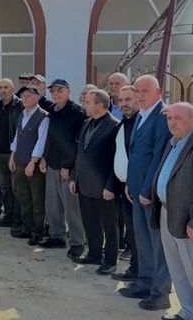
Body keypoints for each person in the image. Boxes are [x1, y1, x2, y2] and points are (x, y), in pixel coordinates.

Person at [151, 102, 193, 320]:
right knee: (178, 269)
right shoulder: (173, 142)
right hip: (167, 213)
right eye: (170, 118)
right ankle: (188, 311)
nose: (173, 122)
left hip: (190, 219)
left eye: (179, 118)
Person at [119, 74, 172, 312]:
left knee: (157, 244)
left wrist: (147, 188)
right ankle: (144, 282)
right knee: (143, 241)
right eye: (137, 91)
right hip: (136, 191)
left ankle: (160, 293)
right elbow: (137, 154)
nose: (140, 96)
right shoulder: (142, 115)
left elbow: (159, 155)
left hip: (149, 194)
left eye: (145, 91)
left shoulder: (161, 117)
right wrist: (131, 185)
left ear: (158, 92)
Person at [70, 89, 121, 275]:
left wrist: (110, 185)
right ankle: (94, 253)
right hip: (84, 184)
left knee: (109, 225)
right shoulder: (86, 123)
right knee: (90, 221)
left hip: (104, 187)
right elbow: (80, 153)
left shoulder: (115, 126)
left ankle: (110, 260)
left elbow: (116, 160)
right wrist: (75, 177)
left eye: (88, 102)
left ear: (100, 105)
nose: (85, 105)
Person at [41, 78, 87, 259]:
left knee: (71, 208)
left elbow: (75, 143)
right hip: (52, 164)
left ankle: (77, 242)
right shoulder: (52, 111)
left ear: (68, 91)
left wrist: (67, 166)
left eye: (60, 90)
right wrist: (44, 157)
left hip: (67, 167)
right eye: (53, 91)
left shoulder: (77, 113)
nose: (56, 94)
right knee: (52, 205)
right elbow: (49, 138)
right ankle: (57, 236)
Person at [9, 85, 50, 245]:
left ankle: (37, 231)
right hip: (19, 161)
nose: (24, 98)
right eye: (23, 95)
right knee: (23, 197)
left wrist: (33, 162)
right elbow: (17, 138)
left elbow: (41, 141)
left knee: (37, 198)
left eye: (28, 95)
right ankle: (26, 228)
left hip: (32, 164)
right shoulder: (22, 114)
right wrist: (12, 156)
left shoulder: (43, 116)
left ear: (37, 97)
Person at [111, 85, 140, 282]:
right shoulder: (124, 123)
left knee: (139, 234)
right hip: (124, 187)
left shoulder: (141, 123)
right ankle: (135, 268)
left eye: (128, 100)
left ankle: (140, 272)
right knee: (131, 232)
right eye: (120, 101)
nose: (123, 104)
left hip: (138, 189)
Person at [0, 78, 23, 231]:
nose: (3, 90)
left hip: (14, 155)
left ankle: (19, 219)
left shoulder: (19, 105)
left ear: (12, 89)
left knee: (16, 187)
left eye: (6, 87)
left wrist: (16, 152)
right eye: (0, 87)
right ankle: (9, 214)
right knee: (4, 187)